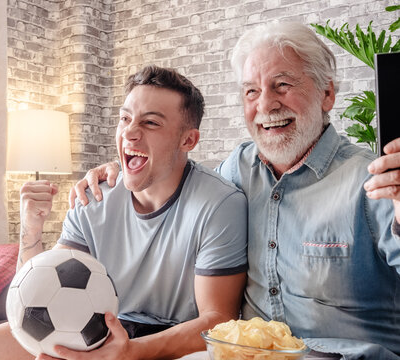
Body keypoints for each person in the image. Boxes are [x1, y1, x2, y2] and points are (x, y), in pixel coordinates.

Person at [71, 23, 400, 359]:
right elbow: (173, 173)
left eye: (282, 85)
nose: (266, 105)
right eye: (251, 92)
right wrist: (119, 170)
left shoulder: (375, 179)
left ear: (327, 94)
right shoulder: (237, 169)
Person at [0, 65, 248, 360]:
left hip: (173, 338)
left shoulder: (219, 204)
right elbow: (37, 292)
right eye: (125, 119)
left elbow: (218, 320)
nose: (130, 133)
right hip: (98, 329)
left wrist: (128, 352)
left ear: (188, 140)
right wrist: (31, 229)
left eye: (150, 123)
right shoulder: (95, 196)